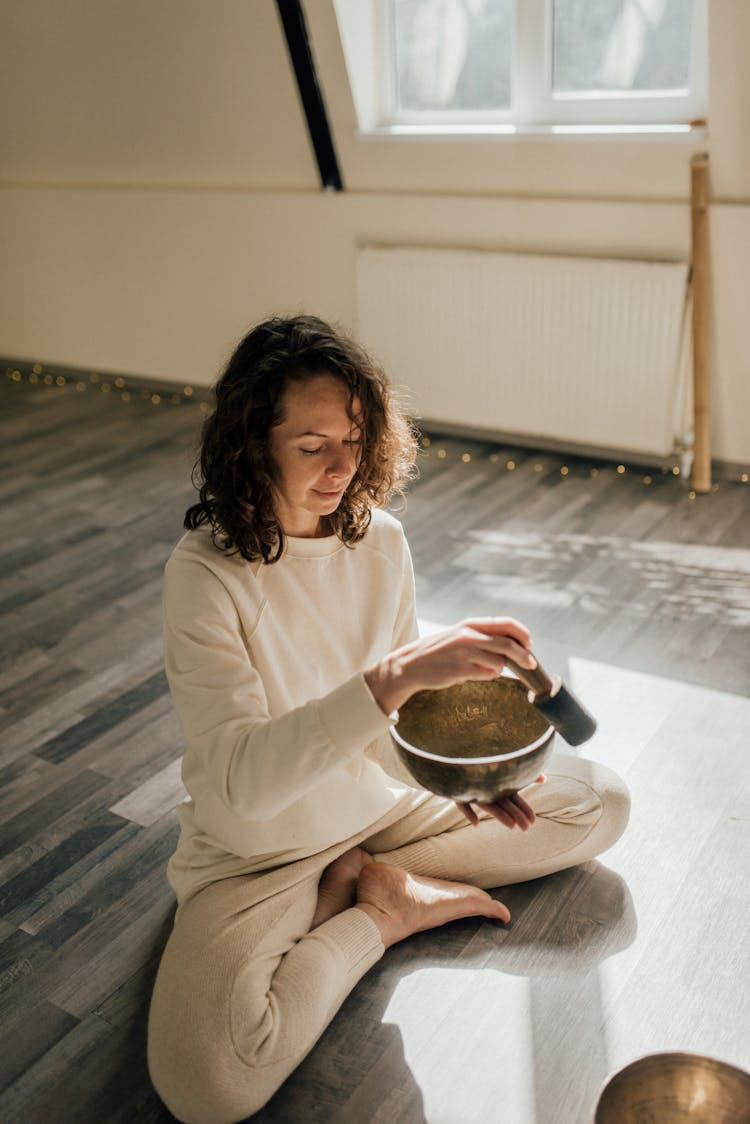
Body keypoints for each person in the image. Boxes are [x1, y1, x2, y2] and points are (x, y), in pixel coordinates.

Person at [147, 315, 630, 1124]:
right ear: (252, 444)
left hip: (379, 810)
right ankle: (383, 911)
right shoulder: (205, 578)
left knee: (599, 802)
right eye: (312, 446)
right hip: (259, 851)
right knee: (210, 1082)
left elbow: (376, 737)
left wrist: (454, 779)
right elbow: (242, 782)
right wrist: (394, 676)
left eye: (355, 438)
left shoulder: (382, 542)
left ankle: (365, 883)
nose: (343, 467)